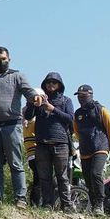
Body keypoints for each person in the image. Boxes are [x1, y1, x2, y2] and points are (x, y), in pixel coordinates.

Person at [0, 47, 36, 206]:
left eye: (4, 59)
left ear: (9, 59)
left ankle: (20, 198)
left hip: (12, 125)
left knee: (15, 163)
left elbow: (29, 92)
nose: (1, 62)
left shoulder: (17, 76)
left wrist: (36, 97)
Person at [32, 72, 75, 211]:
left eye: (54, 82)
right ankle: (47, 204)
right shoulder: (40, 100)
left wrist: (53, 109)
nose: (51, 85)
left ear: (59, 85)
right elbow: (27, 115)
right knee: (44, 177)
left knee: (62, 177)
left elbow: (70, 118)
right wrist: (32, 103)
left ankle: (66, 205)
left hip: (60, 143)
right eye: (48, 82)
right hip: (42, 143)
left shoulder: (66, 101)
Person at [72, 85, 110, 216]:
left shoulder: (101, 110)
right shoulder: (77, 114)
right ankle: (93, 204)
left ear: (90, 95)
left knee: (96, 174)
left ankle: (100, 204)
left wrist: (108, 146)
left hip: (100, 147)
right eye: (79, 96)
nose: (81, 98)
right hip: (85, 150)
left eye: (83, 96)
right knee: (88, 178)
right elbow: (76, 131)